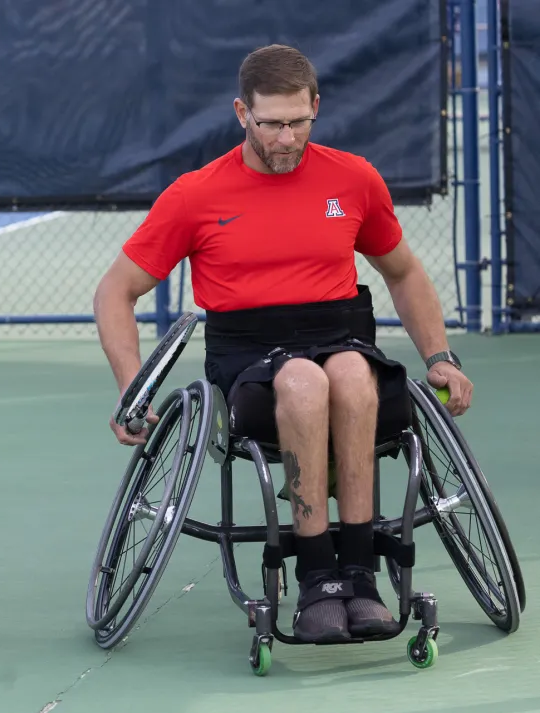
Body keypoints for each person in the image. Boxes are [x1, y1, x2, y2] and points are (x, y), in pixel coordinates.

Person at [92, 44, 474, 644]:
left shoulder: (352, 178)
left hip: (339, 333)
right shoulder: (196, 194)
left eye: (299, 122)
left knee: (350, 373)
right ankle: (317, 577)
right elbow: (115, 292)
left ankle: (361, 573)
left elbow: (402, 272)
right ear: (242, 113)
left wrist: (440, 357)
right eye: (272, 124)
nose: (287, 138)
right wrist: (131, 388)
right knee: (303, 381)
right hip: (250, 355)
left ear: (316, 107)